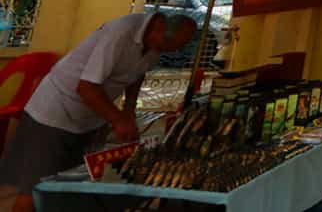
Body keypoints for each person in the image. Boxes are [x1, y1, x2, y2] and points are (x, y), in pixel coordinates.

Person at [0, 12, 196, 212]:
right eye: (166, 47)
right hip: (53, 114)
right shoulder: (120, 33)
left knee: (66, 189)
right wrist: (117, 119)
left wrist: (128, 110)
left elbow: (137, 73)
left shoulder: (154, 43)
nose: (164, 52)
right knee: (35, 188)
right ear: (159, 29)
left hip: (88, 118)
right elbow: (86, 87)